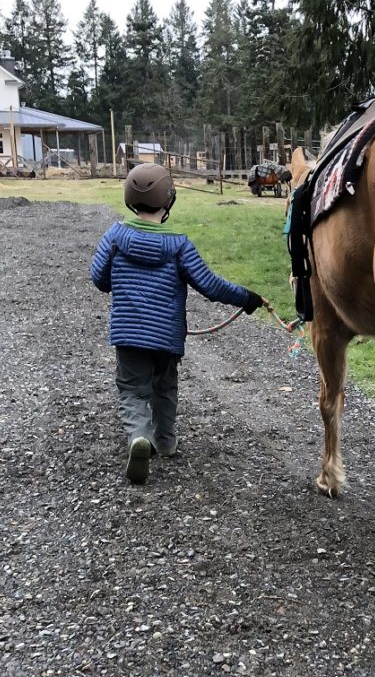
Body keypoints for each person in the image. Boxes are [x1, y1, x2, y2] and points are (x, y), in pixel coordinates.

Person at [90, 163, 265, 485]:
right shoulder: (180, 245)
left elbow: (99, 279)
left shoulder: (114, 236)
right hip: (167, 336)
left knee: (132, 389)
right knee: (165, 387)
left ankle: (139, 438)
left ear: (130, 197)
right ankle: (166, 441)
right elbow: (210, 285)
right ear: (168, 200)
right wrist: (246, 298)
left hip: (128, 333)